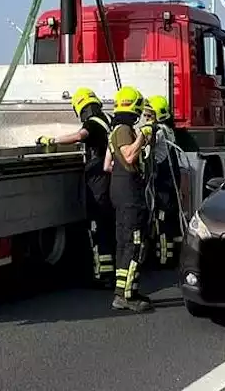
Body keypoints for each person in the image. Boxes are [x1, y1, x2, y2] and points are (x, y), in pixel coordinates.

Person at [37, 87, 115, 287]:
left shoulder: (93, 122)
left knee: (98, 229)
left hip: (98, 181)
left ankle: (103, 275)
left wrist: (52, 140)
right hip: (106, 180)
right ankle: (108, 272)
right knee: (106, 227)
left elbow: (80, 136)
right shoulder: (106, 119)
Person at [107, 85, 154, 312]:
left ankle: (125, 290)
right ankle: (126, 296)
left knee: (125, 244)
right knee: (134, 245)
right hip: (129, 196)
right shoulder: (124, 130)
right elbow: (129, 154)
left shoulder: (117, 129)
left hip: (123, 193)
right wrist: (144, 135)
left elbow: (109, 164)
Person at [145, 95, 184, 268]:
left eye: (149, 115)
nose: (146, 119)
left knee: (163, 219)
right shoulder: (168, 130)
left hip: (164, 182)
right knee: (171, 218)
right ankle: (173, 254)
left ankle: (164, 258)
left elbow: (144, 145)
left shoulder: (159, 132)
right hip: (170, 180)